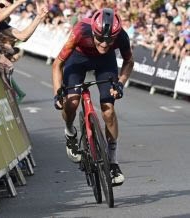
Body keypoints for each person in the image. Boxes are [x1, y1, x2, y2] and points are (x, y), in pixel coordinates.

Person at [51, 8, 134, 186]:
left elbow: (129, 61)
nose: (104, 44)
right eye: (100, 39)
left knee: (109, 111)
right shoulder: (80, 31)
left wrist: (120, 83)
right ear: (93, 32)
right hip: (78, 59)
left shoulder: (121, 36)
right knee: (72, 102)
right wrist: (58, 92)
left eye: (109, 40)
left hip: (105, 63)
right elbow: (58, 64)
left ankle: (112, 162)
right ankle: (69, 132)